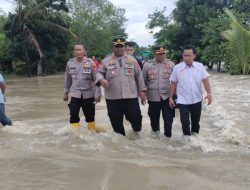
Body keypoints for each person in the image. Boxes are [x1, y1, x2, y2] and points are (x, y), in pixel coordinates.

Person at [95, 37, 146, 136]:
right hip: (113, 99)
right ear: (113, 47)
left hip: (131, 97)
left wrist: (142, 91)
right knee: (116, 125)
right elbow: (98, 73)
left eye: (121, 46)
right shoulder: (106, 60)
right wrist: (101, 79)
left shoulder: (132, 60)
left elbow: (139, 75)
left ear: (124, 47)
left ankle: (136, 135)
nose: (119, 48)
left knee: (136, 118)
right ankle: (122, 146)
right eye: (117, 46)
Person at [169, 45, 212, 136]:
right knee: (185, 122)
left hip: (196, 100)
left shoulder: (200, 67)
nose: (187, 58)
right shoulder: (177, 68)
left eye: (189, 55)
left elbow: (205, 81)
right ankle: (187, 141)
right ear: (183, 56)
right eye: (185, 55)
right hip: (183, 101)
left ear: (194, 56)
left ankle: (195, 141)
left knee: (195, 123)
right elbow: (173, 84)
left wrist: (209, 93)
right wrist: (170, 97)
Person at [63, 44, 103, 133]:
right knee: (73, 115)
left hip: (88, 94)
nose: (78, 52)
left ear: (84, 51)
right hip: (75, 93)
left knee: (90, 116)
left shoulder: (91, 63)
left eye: (80, 50)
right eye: (76, 50)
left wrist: (98, 94)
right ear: (74, 52)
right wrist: (66, 92)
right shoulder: (70, 63)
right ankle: (75, 135)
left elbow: (97, 79)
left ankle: (92, 134)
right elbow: (68, 79)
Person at [142, 45, 175, 137]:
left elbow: (175, 82)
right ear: (155, 54)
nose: (162, 55)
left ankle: (167, 140)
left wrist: (175, 96)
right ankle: (156, 142)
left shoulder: (171, 64)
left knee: (168, 121)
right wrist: (143, 94)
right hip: (153, 98)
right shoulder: (147, 65)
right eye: (159, 54)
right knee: (154, 123)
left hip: (167, 98)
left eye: (163, 53)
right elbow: (143, 82)